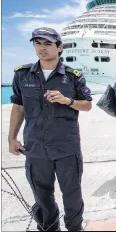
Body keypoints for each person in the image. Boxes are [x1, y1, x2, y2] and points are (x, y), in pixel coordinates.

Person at [8, 27, 92, 231]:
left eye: (47, 44)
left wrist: (67, 100)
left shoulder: (73, 76)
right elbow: (18, 107)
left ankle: (74, 227)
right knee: (42, 195)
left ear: (59, 47)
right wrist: (11, 138)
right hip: (35, 147)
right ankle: (49, 227)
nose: (42, 48)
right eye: (37, 43)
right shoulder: (22, 74)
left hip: (66, 148)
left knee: (71, 193)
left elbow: (87, 104)